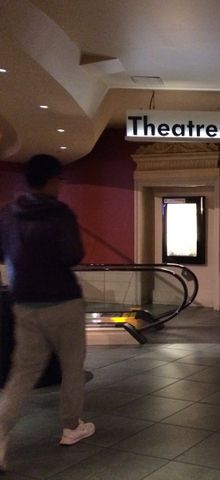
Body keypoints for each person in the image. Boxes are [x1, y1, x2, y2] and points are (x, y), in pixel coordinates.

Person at [0, 154, 94, 473]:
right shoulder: (59, 212)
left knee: (22, 372)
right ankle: (71, 427)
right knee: (71, 364)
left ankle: (0, 435)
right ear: (53, 180)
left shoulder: (9, 213)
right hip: (62, 300)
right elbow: (73, 253)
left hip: (24, 302)